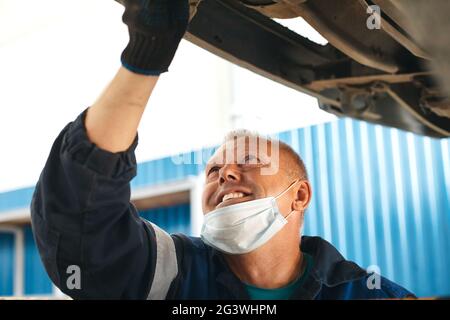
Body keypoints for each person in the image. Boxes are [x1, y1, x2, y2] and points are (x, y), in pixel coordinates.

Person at [31, 0, 415, 299]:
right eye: (213, 171)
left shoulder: (367, 294)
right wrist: (145, 55)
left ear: (299, 195)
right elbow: (81, 218)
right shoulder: (172, 275)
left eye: (249, 161)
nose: (224, 175)